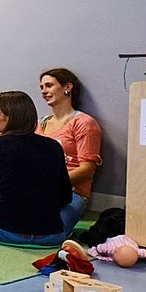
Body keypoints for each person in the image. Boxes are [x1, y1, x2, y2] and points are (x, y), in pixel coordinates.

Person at [0, 91, 75, 246]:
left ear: (10, 118)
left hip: (7, 232)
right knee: (77, 201)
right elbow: (65, 197)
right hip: (53, 235)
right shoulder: (53, 146)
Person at [36, 66, 103, 228]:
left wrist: (50, 183)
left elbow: (87, 170)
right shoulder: (41, 123)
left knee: (48, 227)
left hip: (71, 192)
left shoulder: (84, 123)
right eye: (42, 87)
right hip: (37, 188)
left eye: (49, 85)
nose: (44, 91)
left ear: (67, 87)